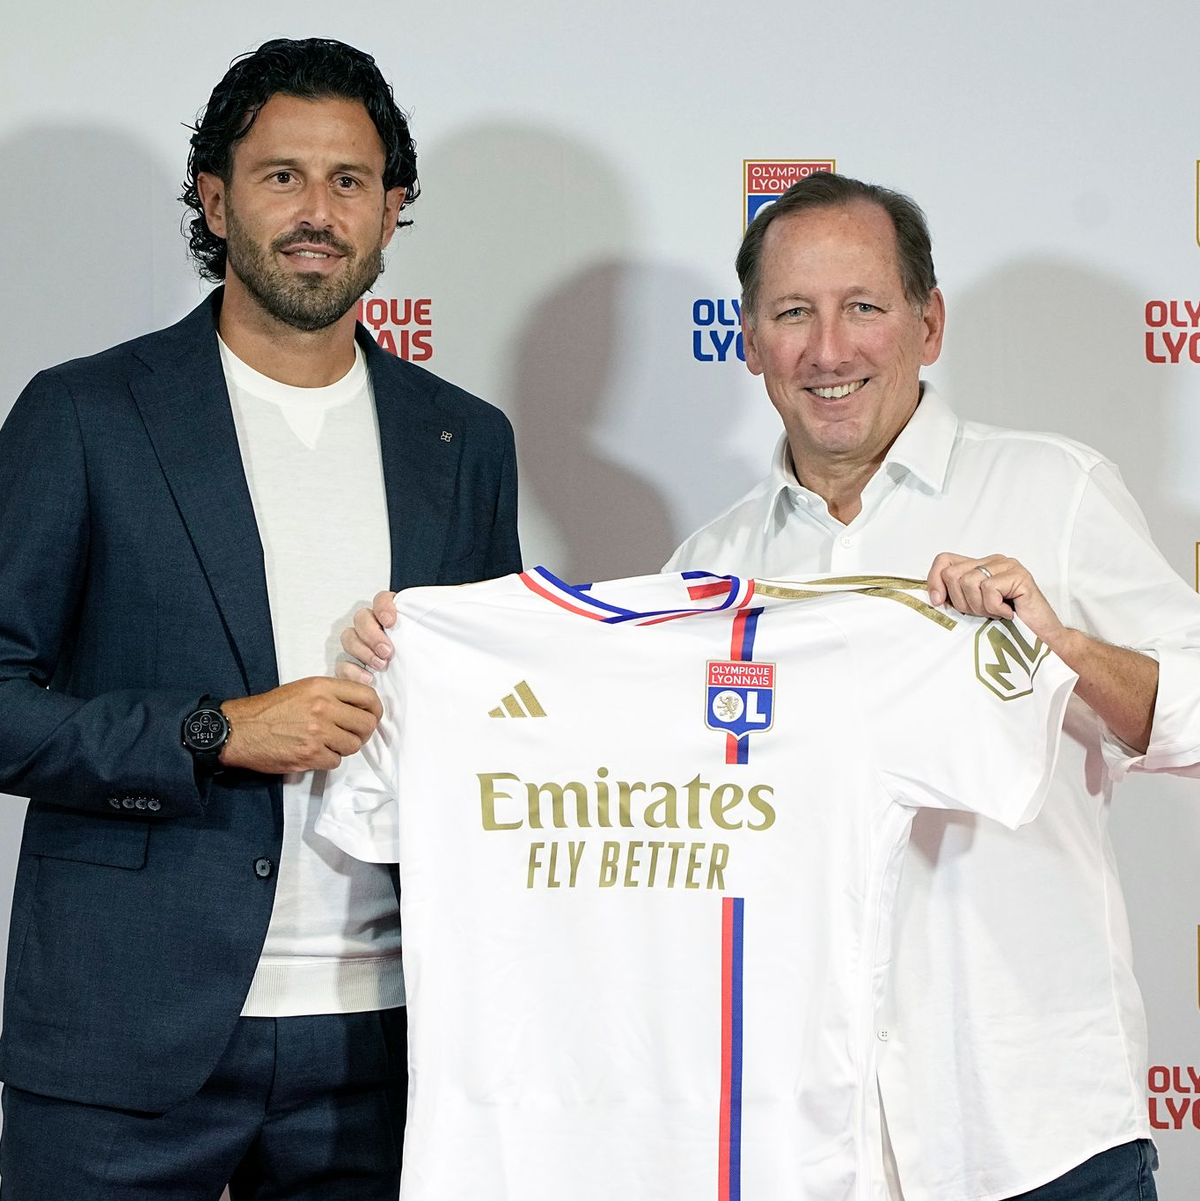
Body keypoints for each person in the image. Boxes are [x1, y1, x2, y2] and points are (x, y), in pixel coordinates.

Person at [343, 173, 1200, 1200]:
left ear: (928, 324)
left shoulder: (1051, 490)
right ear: (747, 341)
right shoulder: (710, 569)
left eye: (863, 307)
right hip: (807, 1147)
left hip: (1036, 1132)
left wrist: (1061, 648)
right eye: (793, 314)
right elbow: (629, 815)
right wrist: (416, 673)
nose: (828, 350)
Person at [0, 37, 520, 1200]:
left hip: (387, 1046)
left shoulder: (464, 440)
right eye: (283, 176)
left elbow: (499, 713)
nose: (317, 213)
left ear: (391, 209)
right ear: (215, 197)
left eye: (350, 181)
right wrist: (215, 731)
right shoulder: (85, 414)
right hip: (124, 1039)